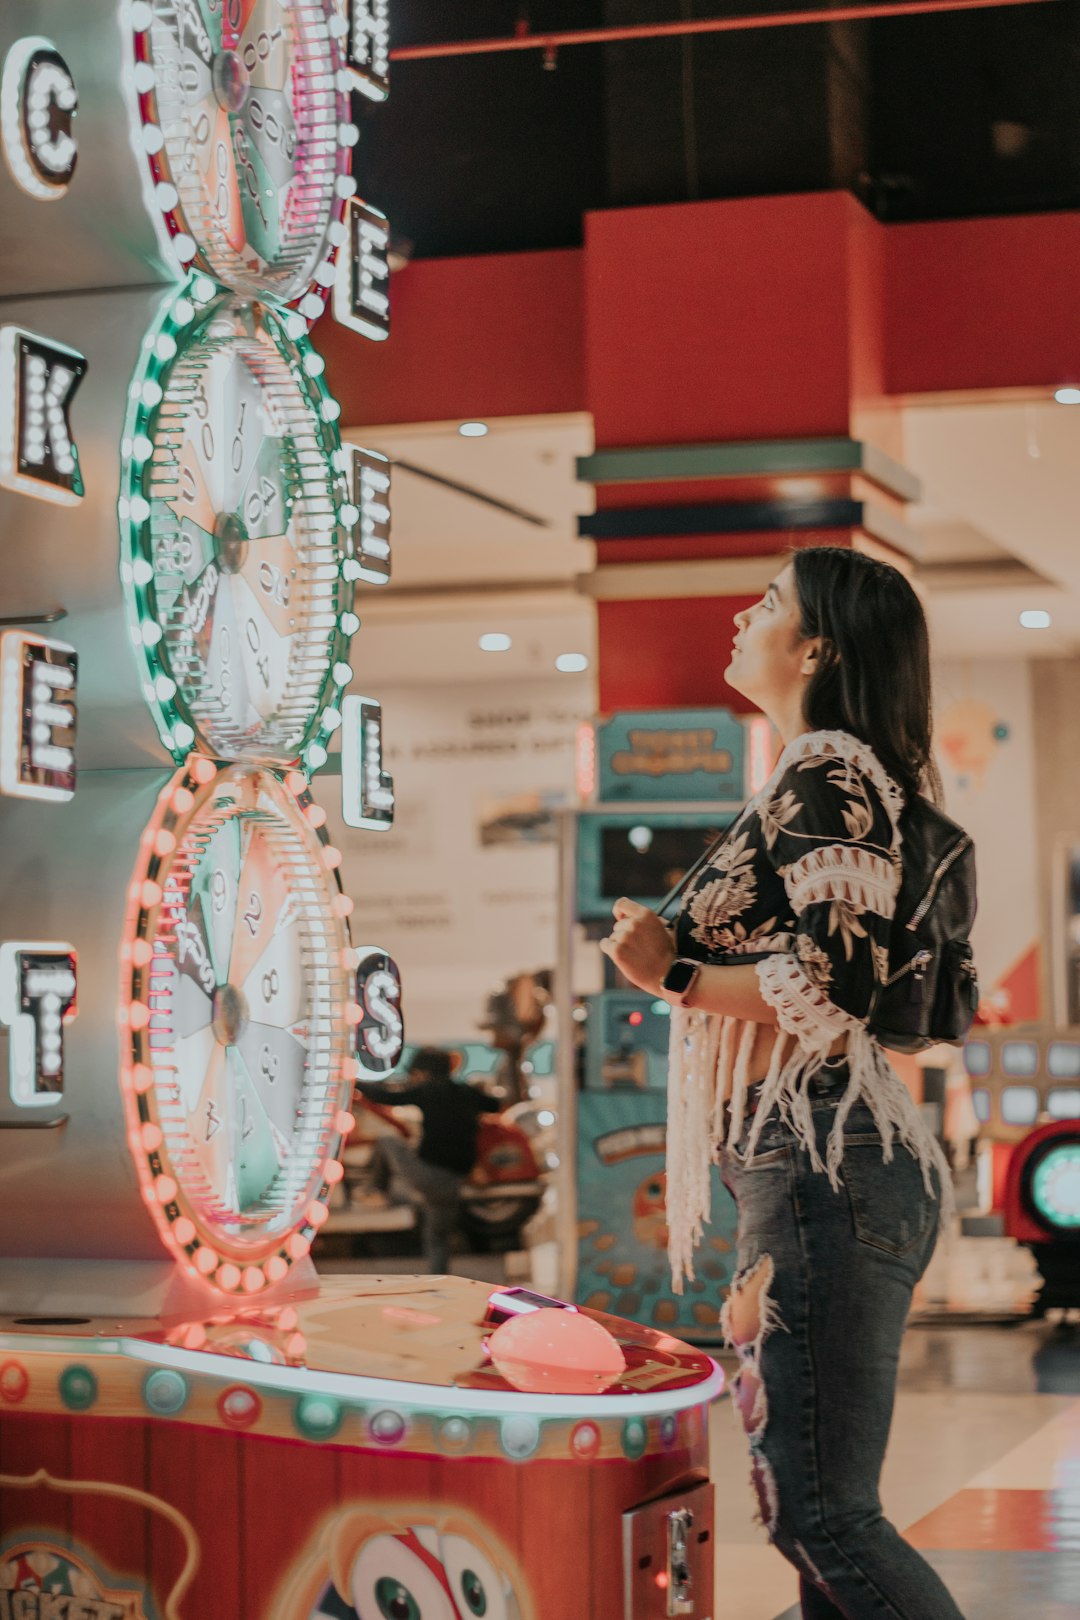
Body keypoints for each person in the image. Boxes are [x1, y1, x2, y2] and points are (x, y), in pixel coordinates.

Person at [601, 547, 966, 1620]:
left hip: (824, 1163)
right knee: (819, 1528)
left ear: (815, 647)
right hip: (814, 1167)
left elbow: (834, 983)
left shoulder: (825, 767)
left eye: (766, 603)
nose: (740, 615)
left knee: (823, 1517)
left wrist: (667, 968)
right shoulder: (820, 773)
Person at [355, 1047, 501, 1274]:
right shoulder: (467, 1092)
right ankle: (439, 1280)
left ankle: (374, 1190)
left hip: (429, 1174)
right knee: (437, 1237)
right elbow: (495, 1105)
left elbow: (387, 1097)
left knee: (387, 1141)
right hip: (455, 1180)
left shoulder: (427, 1090)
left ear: (423, 1071)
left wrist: (353, 1080)